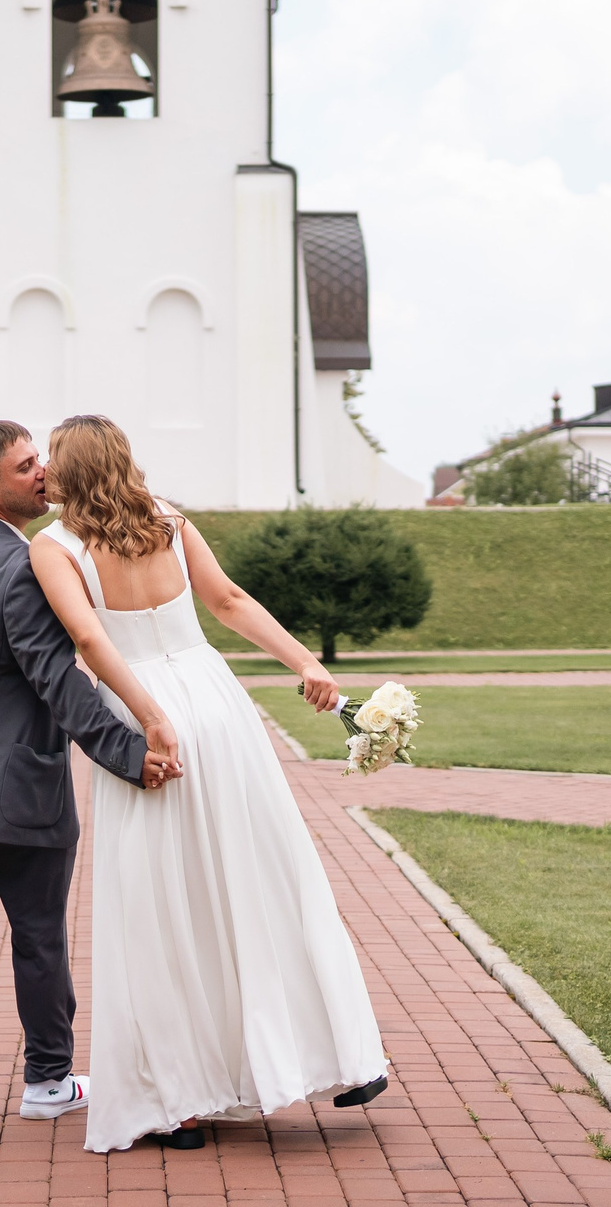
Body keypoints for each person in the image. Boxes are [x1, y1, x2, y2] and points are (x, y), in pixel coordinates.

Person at [28, 414, 389, 1153]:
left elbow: (91, 641)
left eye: (51, 460)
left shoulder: (54, 546)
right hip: (219, 706)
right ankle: (338, 1055)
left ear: (71, 469)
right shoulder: (167, 519)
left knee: (160, 901)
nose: (44, 474)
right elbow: (227, 601)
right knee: (263, 874)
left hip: (143, 710)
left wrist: (148, 716)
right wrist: (304, 662)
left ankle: (179, 1102)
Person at [0, 420, 180, 1143]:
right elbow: (58, 677)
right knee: (38, 937)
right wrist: (128, 751)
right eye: (28, 466)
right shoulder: (24, 565)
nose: (45, 472)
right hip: (17, 788)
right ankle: (50, 1081)